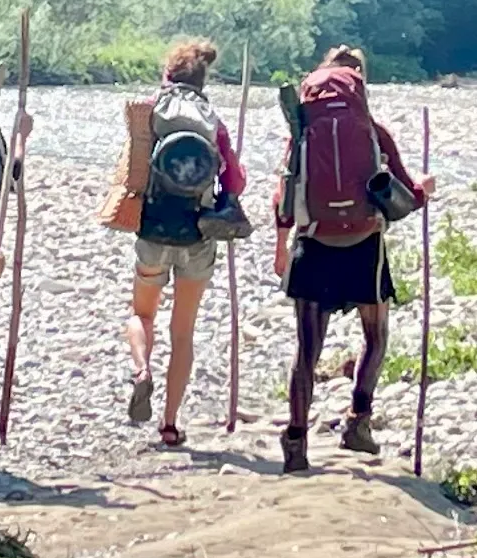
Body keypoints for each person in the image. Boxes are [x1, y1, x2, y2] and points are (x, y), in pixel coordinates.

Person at [273, 46, 430, 475]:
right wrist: (425, 190)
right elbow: (406, 194)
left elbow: (285, 195)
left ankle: (296, 440)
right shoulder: (373, 132)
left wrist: (280, 245)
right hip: (365, 244)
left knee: (307, 349)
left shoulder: (303, 131)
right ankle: (358, 422)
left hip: (314, 242)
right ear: (360, 84)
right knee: (375, 334)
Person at [119, 38, 246, 448]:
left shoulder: (149, 112)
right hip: (197, 234)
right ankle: (170, 424)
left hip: (154, 229)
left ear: (167, 75)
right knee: (183, 333)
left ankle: (141, 370)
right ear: (203, 80)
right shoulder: (212, 121)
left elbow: (132, 172)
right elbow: (235, 181)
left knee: (142, 314)